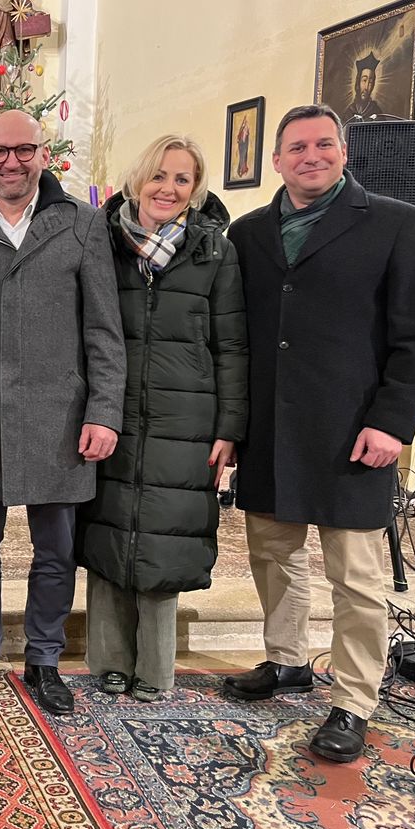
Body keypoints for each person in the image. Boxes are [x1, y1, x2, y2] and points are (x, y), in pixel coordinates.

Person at [223, 103, 415, 762]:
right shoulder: (249, 232)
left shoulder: (395, 224)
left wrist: (391, 424)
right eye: (296, 147)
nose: (310, 156)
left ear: (344, 153)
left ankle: (352, 699)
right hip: (272, 429)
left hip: (352, 430)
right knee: (275, 557)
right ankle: (286, 659)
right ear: (277, 160)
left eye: (323, 145)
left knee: (356, 577)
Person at [0, 108, 125, 715]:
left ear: (43, 154)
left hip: (62, 415)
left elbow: (104, 329)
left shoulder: (81, 224)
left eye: (24, 149)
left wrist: (104, 411)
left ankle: (44, 659)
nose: (11, 161)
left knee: (56, 549)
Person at [76, 135, 247, 702]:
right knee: (107, 530)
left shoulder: (214, 252)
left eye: (182, 180)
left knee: (167, 537)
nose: (168, 189)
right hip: (112, 410)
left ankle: (154, 669)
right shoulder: (101, 241)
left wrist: (229, 428)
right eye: (159, 176)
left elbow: (233, 347)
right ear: (137, 179)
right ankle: (107, 662)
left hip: (185, 416)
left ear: (194, 189)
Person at [343, 53, 388, 122]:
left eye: (370, 82)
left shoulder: (376, 111)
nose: (366, 87)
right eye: (364, 80)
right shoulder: (349, 112)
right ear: (358, 82)